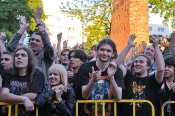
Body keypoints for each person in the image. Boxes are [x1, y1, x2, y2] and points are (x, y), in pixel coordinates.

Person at [116, 34, 165, 116]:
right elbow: (118, 64)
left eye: (141, 62)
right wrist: (128, 46)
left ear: (148, 66)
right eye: (136, 61)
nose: (137, 63)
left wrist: (156, 47)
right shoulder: (128, 77)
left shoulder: (153, 80)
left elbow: (161, 69)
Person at [6, 7, 54, 85]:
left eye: (37, 40)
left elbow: (48, 44)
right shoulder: (24, 53)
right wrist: (23, 27)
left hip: (40, 91)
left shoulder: (46, 56)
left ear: (42, 45)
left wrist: (38, 21)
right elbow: (11, 47)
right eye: (32, 39)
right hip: (23, 88)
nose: (34, 42)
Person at [77, 38, 125, 115]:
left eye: (108, 51)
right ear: (97, 51)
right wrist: (92, 80)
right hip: (87, 112)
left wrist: (111, 77)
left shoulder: (117, 71)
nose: (104, 53)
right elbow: (85, 95)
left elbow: (118, 97)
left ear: (113, 53)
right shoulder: (85, 67)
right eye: (102, 50)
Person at [0, 46, 45, 115]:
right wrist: (24, 99)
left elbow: (33, 95)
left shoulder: (37, 73)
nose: (19, 57)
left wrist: (10, 99)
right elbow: (3, 95)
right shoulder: (8, 72)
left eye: (23, 55)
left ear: (29, 59)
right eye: (16, 55)